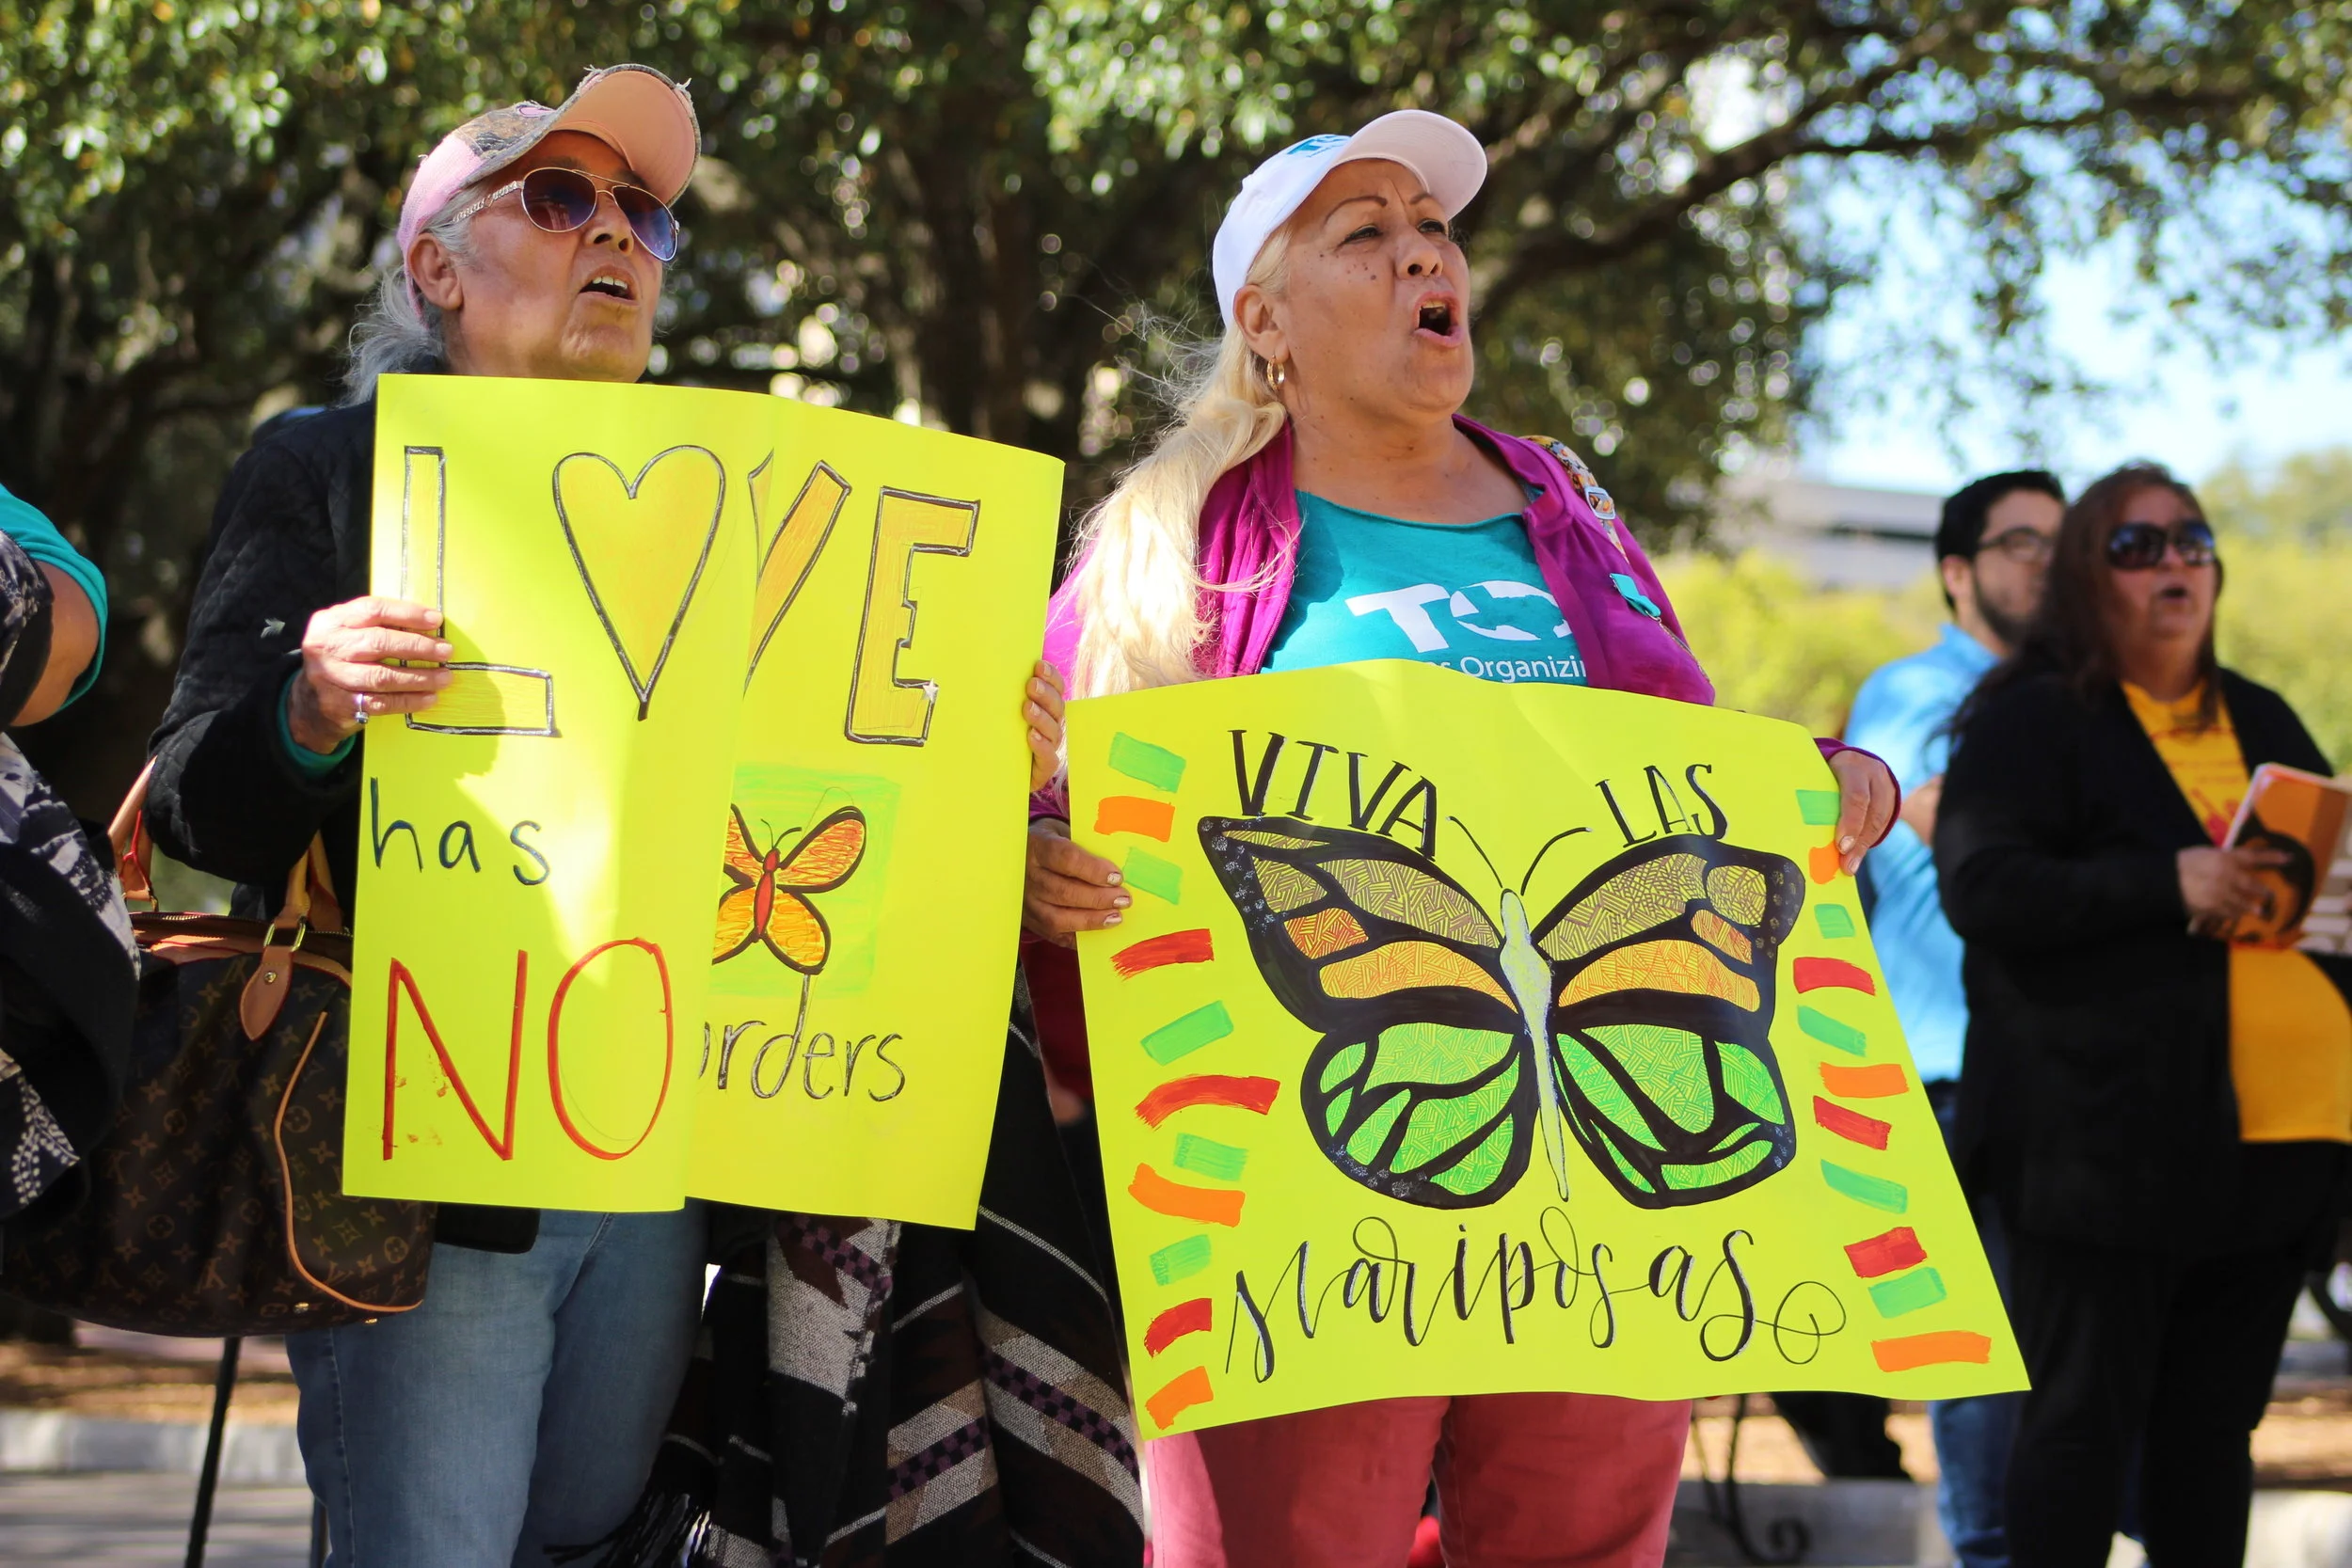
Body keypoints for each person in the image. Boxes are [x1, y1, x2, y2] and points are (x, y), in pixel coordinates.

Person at [1023, 110, 1900, 1568]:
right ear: (1267, 320)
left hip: (1607, 1180)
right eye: (1364, 233)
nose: (1425, 251)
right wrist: (1042, 870)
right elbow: (1053, 804)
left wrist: (1827, 779)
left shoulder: (1567, 506)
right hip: (1291, 1187)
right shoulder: (1161, 544)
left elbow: (1682, 774)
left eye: (1433, 228)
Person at [147, 66, 717, 1567]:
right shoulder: (324, 470)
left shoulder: (733, 510)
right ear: (437, 271)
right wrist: (309, 702)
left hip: (657, 1162)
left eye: (644, 213)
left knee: (591, 1534)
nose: (615, 232)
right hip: (423, 1168)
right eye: (560, 196)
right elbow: (203, 789)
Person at [1938, 462, 2352, 1568]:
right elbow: (1983, 887)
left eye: (2193, 540)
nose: (2175, 562)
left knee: (2211, 1436)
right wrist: (2158, 883)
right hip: (2101, 1154)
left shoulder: (2258, 715)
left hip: (2277, 1151)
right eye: (2138, 546)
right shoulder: (2033, 722)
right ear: (2084, 577)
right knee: (2077, 1430)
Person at [1830, 470, 2063, 1562]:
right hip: (1951, 1070)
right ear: (1957, 571)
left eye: (2061, 543)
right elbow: (1944, 822)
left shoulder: (2069, 697)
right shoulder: (1919, 691)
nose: (2045, 564)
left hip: (2060, 1069)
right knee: (1987, 1357)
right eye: (2020, 543)